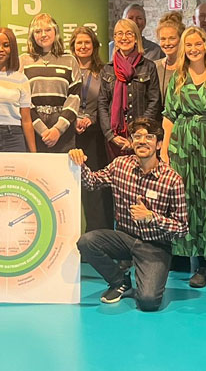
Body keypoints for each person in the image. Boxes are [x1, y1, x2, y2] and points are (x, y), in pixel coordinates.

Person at [73, 117, 188, 312]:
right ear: (132, 141)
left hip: (155, 245)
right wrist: (79, 162)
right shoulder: (120, 165)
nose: (142, 141)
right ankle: (119, 281)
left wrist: (152, 217)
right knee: (86, 241)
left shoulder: (172, 179)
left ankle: (148, 276)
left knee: (148, 302)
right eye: (137, 136)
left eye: (149, 137)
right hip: (124, 238)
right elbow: (92, 182)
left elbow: (182, 228)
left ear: (159, 144)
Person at [161, 27, 206, 288]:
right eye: (188, 44)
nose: (193, 48)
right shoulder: (177, 78)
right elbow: (168, 115)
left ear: (205, 45)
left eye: (197, 43)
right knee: (190, 201)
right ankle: (201, 264)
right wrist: (165, 149)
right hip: (183, 145)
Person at [98, 18, 161, 159]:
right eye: (119, 34)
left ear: (136, 38)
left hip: (142, 137)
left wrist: (139, 134)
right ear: (114, 38)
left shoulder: (148, 67)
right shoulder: (107, 69)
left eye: (129, 33)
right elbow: (102, 104)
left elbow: (154, 101)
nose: (124, 38)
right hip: (114, 138)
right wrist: (110, 135)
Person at [20, 13, 82, 153]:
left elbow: (74, 98)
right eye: (38, 31)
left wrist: (57, 130)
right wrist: (42, 130)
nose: (43, 34)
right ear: (31, 35)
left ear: (56, 32)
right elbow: (22, 100)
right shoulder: (23, 61)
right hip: (33, 129)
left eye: (48, 30)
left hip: (63, 130)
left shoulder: (70, 61)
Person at [70, 26, 112, 231]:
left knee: (94, 188)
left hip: (94, 136)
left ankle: (97, 236)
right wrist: (73, 119)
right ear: (73, 46)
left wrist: (91, 119)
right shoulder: (67, 69)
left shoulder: (104, 72)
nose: (83, 46)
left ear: (94, 46)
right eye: (79, 43)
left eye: (87, 42)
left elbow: (107, 104)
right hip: (69, 134)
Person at [154, 11, 185, 99]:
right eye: (163, 39)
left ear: (181, 39)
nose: (167, 43)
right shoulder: (154, 67)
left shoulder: (189, 67)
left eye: (172, 38)